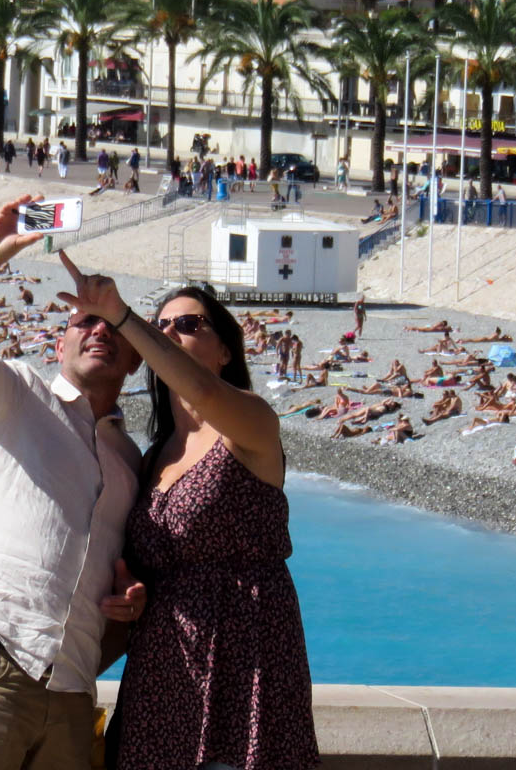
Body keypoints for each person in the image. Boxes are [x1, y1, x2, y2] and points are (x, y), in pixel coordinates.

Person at [55, 256, 318, 770]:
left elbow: (203, 391)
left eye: (189, 324)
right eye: (163, 326)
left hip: (246, 666)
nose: (172, 332)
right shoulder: (150, 457)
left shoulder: (251, 426)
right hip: (162, 673)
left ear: (225, 350)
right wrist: (132, 594)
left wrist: (123, 316)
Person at [0, 195, 147, 770]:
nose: (98, 331)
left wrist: (129, 602)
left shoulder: (132, 463)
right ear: (59, 344)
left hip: (73, 687)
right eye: (83, 322)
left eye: (112, 324)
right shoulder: (19, 394)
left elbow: (126, 578)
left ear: (135, 360)